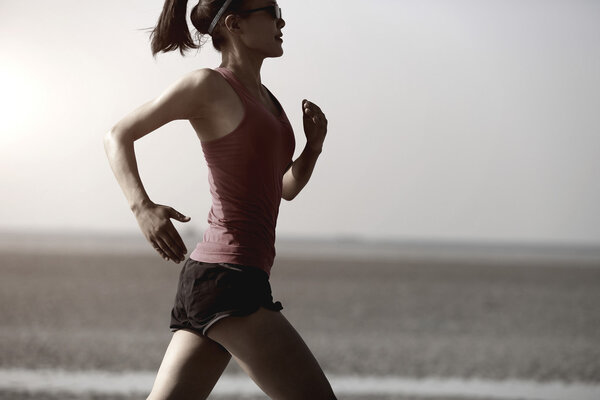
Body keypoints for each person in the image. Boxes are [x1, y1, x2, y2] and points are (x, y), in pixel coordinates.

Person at [103, 0, 335, 399]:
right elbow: (118, 135)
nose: (282, 21)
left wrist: (311, 150)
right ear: (235, 24)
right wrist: (142, 207)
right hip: (229, 279)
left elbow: (283, 189)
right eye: (272, 10)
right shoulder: (208, 85)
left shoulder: (268, 100)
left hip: (221, 279)